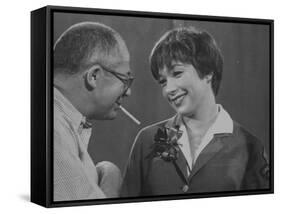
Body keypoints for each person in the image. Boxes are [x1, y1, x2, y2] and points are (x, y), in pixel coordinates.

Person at [121, 27, 269, 197]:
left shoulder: (250, 147)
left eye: (177, 73)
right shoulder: (146, 141)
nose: (169, 89)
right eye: (163, 81)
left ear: (207, 72)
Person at [53, 22, 134, 201]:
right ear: (94, 76)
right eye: (125, 80)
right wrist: (111, 174)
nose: (128, 92)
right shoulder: (53, 130)